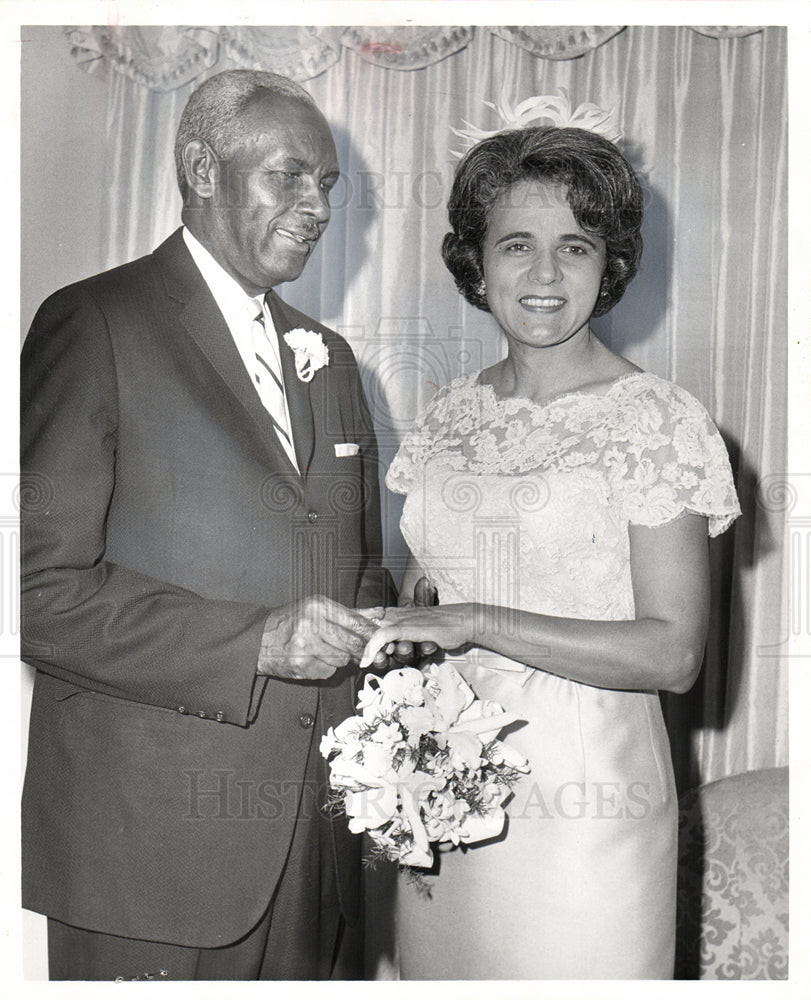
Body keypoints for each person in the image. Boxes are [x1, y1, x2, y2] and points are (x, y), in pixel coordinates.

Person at [21, 69, 402, 981]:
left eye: (328, 184)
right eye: (289, 176)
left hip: (318, 843)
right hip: (152, 854)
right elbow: (35, 593)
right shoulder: (95, 322)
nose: (316, 206)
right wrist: (258, 641)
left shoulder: (331, 359)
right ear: (201, 167)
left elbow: (359, 571)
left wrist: (400, 625)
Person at [361, 117, 741, 979]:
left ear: (608, 267)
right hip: (444, 786)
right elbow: (430, 590)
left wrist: (476, 619)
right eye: (515, 244)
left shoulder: (655, 421)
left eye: (573, 248)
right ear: (474, 260)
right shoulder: (450, 413)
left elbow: (674, 653)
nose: (541, 275)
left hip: (586, 807)